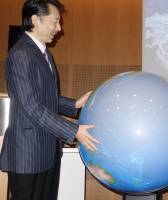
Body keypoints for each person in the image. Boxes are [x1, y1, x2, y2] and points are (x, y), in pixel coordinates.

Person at [0, 0, 99, 200]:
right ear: (36, 20)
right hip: (27, 154)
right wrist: (74, 130)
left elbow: (45, 98)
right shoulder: (20, 54)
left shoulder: (45, 54)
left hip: (48, 151)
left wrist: (74, 104)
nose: (59, 29)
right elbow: (31, 106)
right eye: (55, 22)